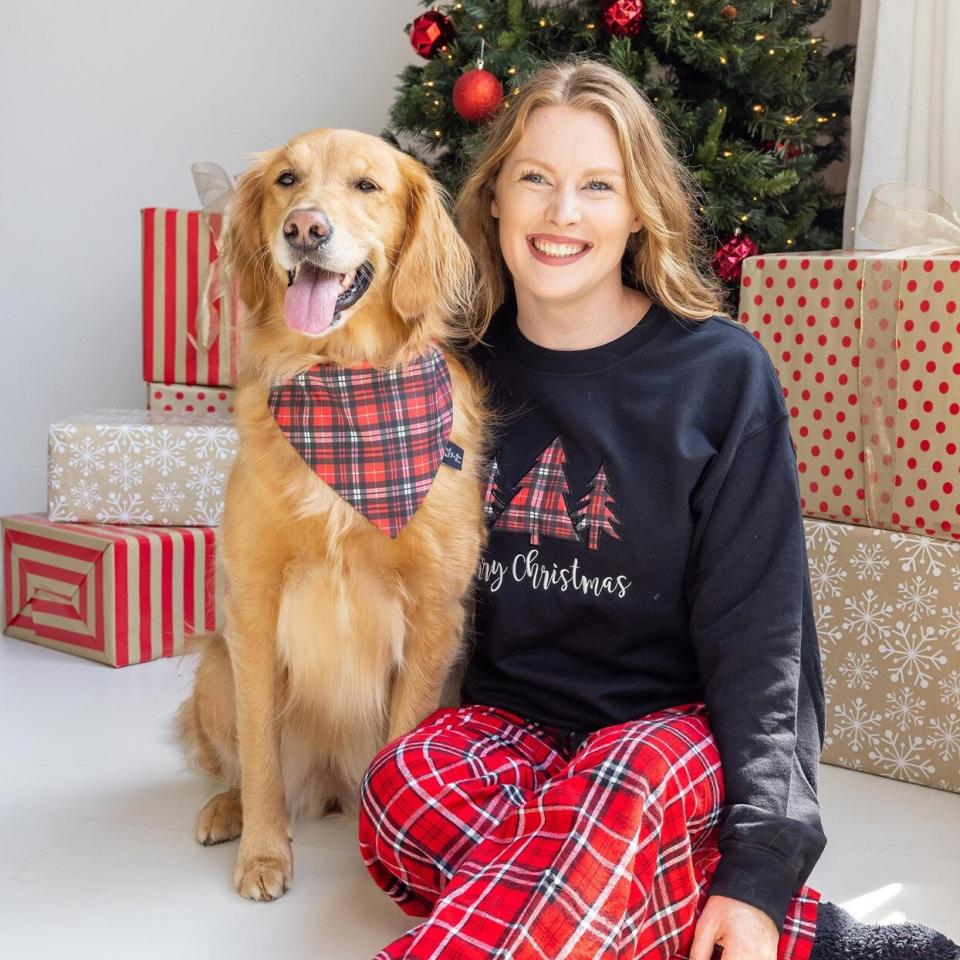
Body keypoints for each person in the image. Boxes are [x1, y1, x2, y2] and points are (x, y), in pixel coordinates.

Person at [358, 59, 959, 960]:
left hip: (670, 739)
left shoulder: (719, 373)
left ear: (639, 208)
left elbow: (766, 640)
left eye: (598, 185)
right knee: (401, 784)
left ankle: (718, 907)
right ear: (492, 202)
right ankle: (810, 941)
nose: (564, 213)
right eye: (536, 179)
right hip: (511, 736)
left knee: (627, 782)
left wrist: (758, 866)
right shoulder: (450, 370)